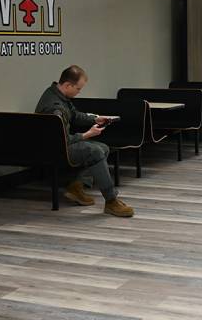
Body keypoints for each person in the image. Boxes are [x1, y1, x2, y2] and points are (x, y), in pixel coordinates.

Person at [34, 65, 134, 217]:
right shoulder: (55, 109)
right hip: (55, 149)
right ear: (68, 85)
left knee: (103, 148)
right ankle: (111, 201)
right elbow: (62, 140)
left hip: (59, 144)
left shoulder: (57, 94)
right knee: (95, 151)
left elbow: (74, 115)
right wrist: (87, 134)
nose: (79, 92)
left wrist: (95, 119)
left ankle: (77, 186)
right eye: (78, 89)